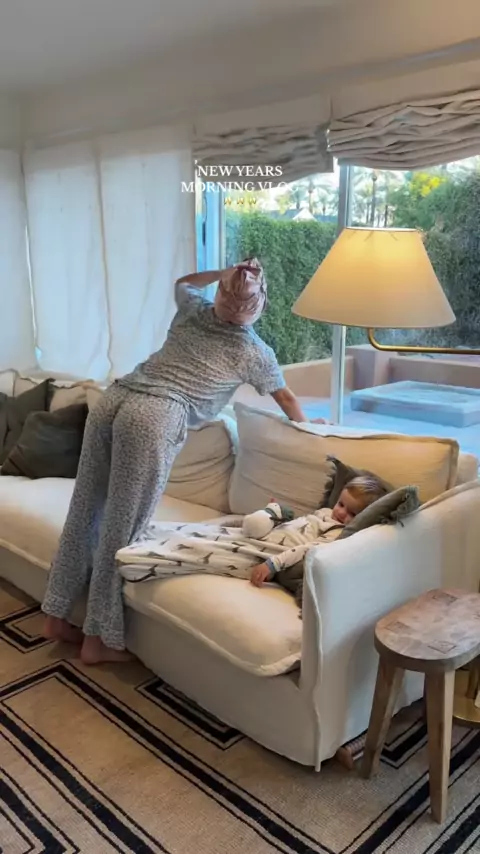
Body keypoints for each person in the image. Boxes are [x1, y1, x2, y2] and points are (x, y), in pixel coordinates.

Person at [41, 259, 326, 664]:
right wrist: (312, 428)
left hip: (115, 399)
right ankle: (97, 640)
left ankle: (55, 615)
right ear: (259, 305)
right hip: (153, 415)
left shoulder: (193, 309)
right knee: (123, 525)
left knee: (85, 508)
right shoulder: (254, 351)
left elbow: (184, 281)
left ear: (220, 292)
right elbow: (287, 399)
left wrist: (223, 271)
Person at [249, 473, 389, 588]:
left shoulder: (337, 532)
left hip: (271, 554)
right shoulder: (326, 511)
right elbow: (302, 525)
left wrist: (273, 564)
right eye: (340, 504)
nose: (341, 513)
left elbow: (307, 549)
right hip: (268, 534)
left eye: (352, 513)